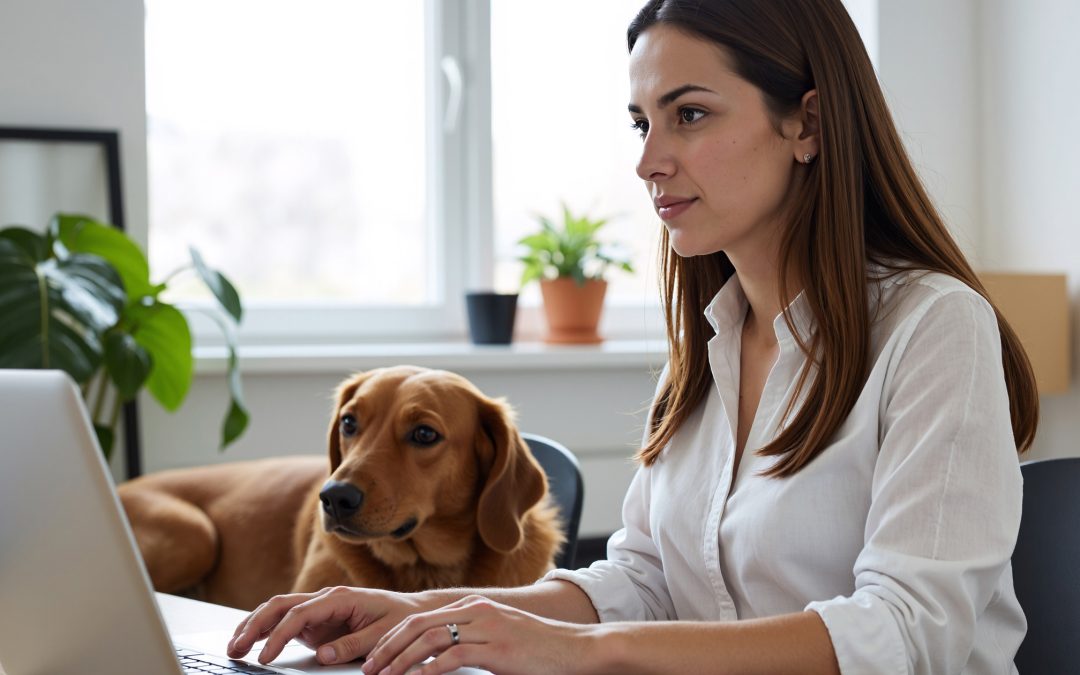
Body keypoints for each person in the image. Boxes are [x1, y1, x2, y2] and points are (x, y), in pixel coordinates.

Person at [226, 0, 1038, 673]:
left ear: (808, 124)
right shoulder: (707, 351)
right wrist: (420, 612)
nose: (649, 159)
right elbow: (640, 581)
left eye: (689, 115)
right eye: (640, 123)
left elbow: (907, 629)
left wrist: (587, 649)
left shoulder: (934, 329)